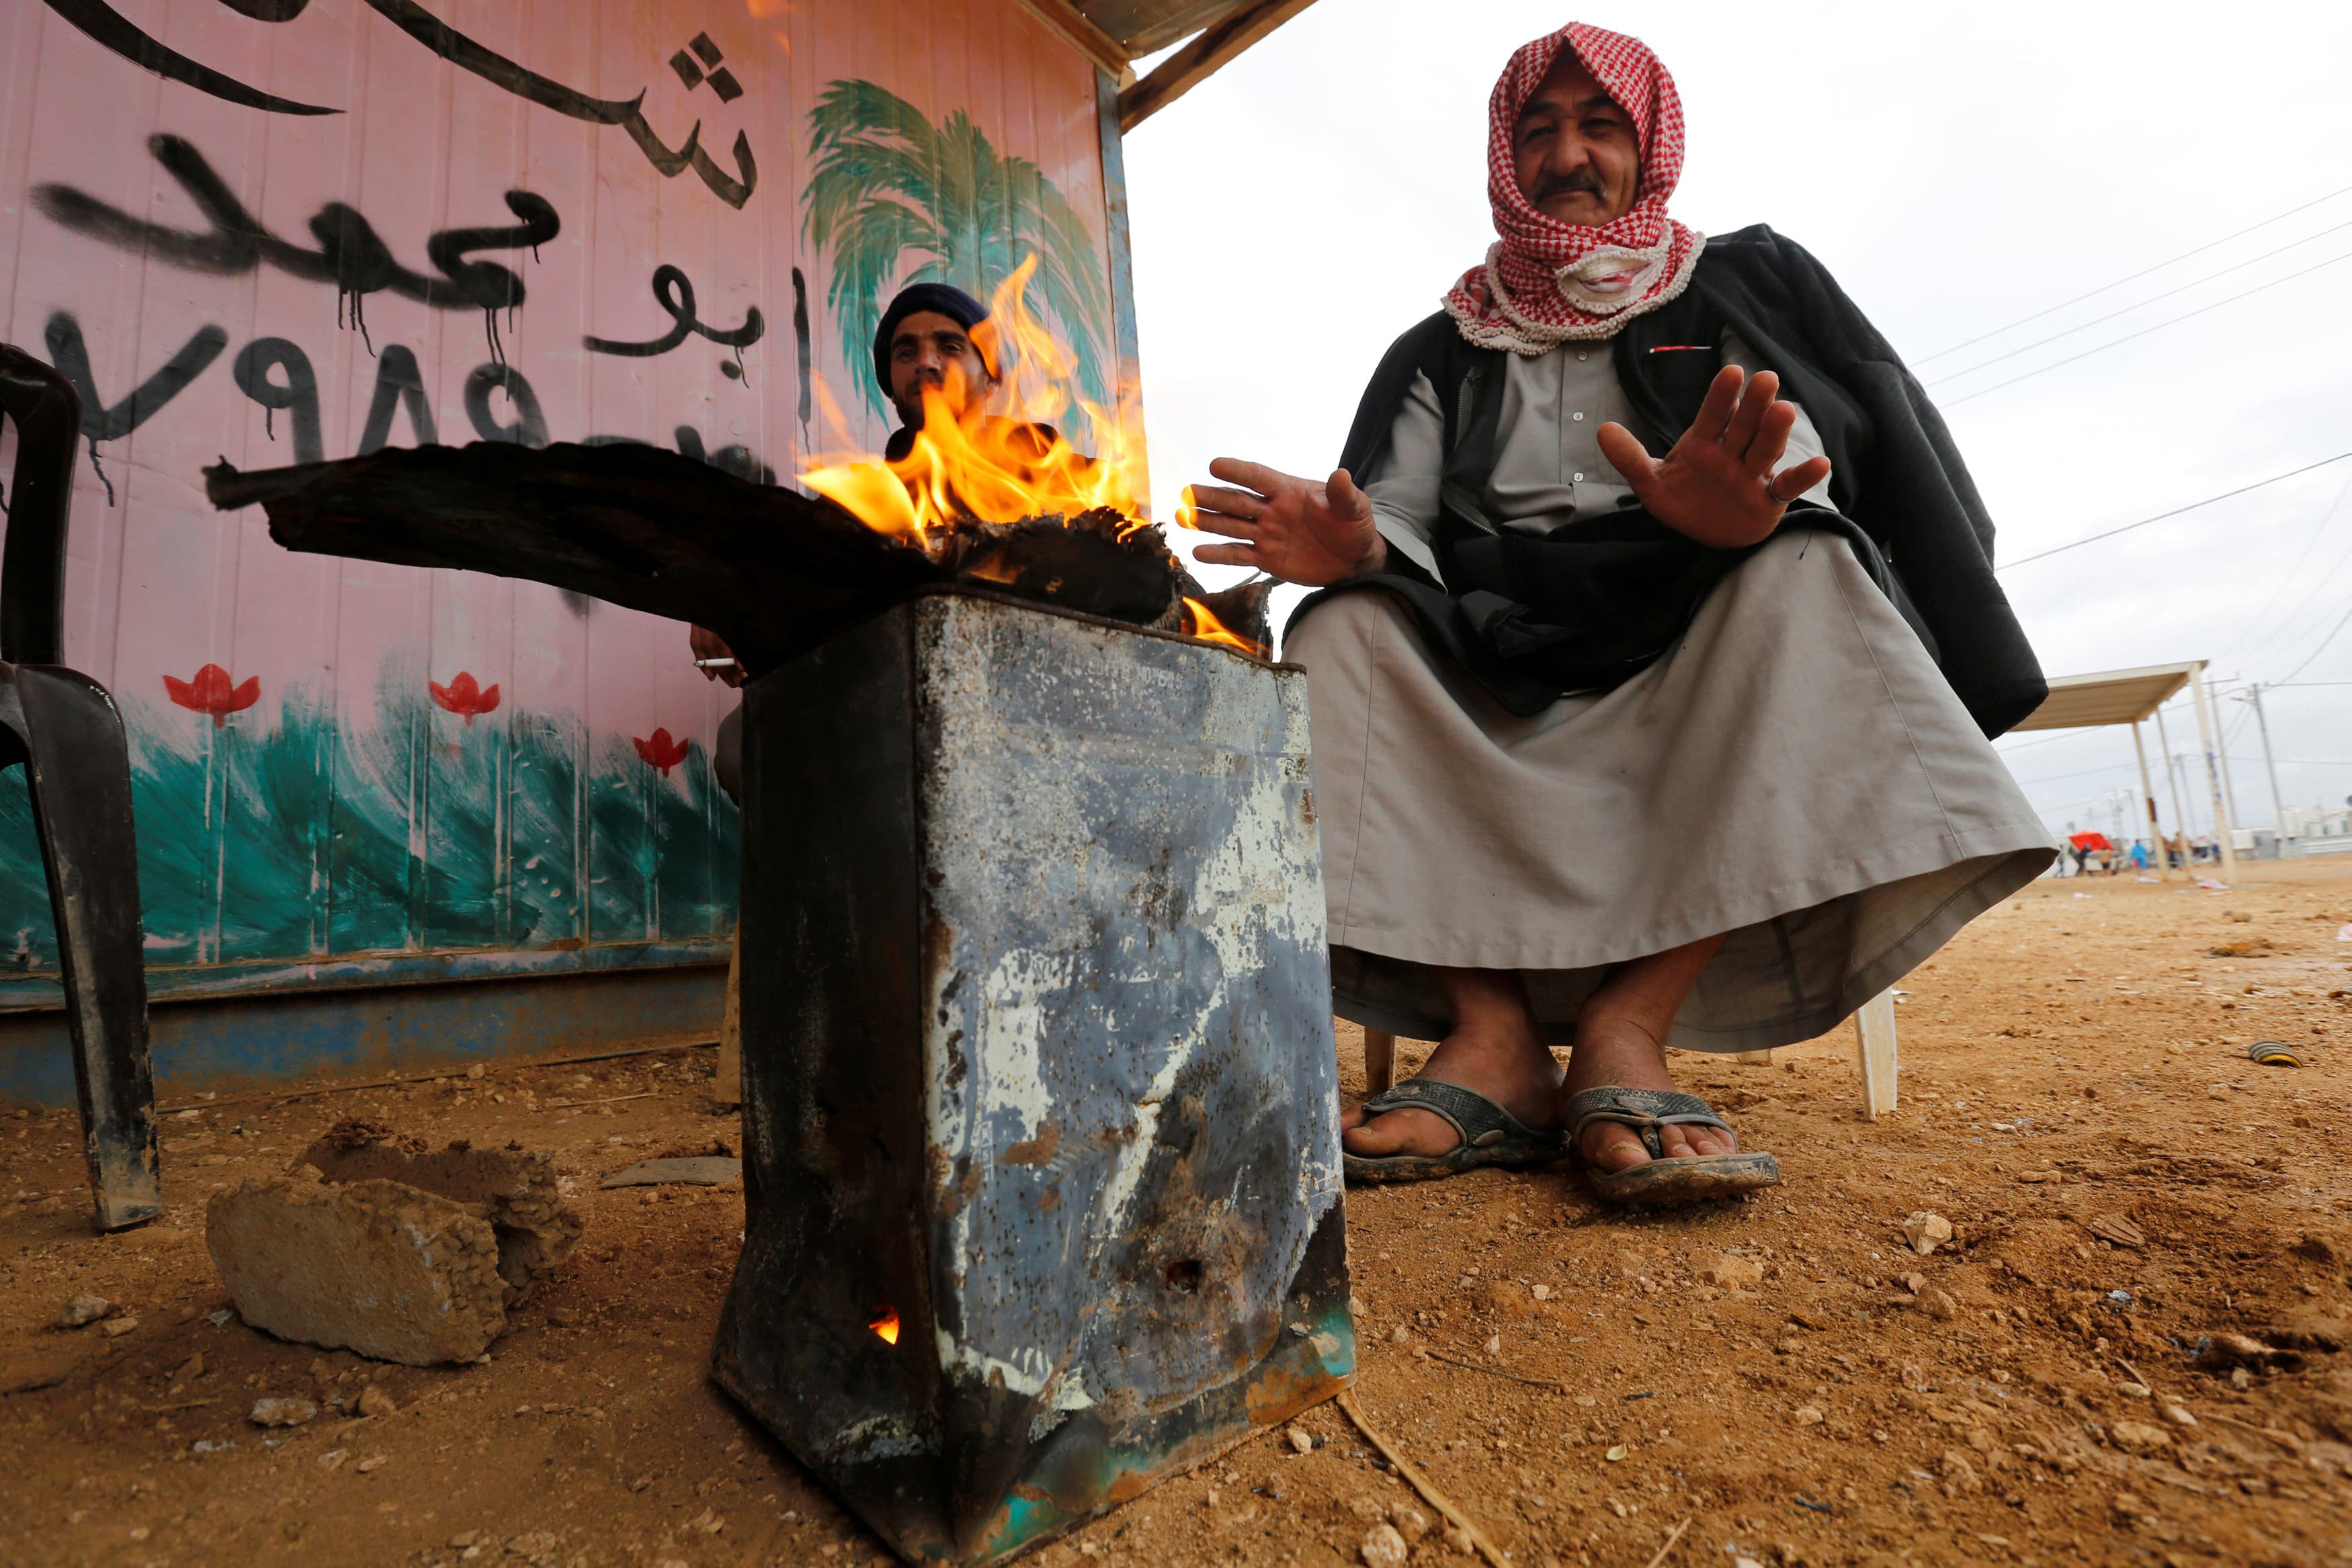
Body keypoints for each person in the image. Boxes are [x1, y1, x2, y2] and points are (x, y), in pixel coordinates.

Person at [1183, 23, 2055, 1207]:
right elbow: (1392, 516)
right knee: (1340, 627)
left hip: (1695, 618)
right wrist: (1351, 547)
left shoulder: (1740, 282)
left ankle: (1627, 1027)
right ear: (1503, 155)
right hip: (1493, 642)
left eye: (1601, 125)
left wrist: (1734, 509)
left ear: (1652, 145)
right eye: (1538, 129)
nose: (1568, 153)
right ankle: (1489, 1039)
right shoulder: (1443, 340)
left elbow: (1799, 449)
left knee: (1802, 568)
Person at [693, 282, 1009, 796]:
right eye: (906, 351)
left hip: (1020, 697)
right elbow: (772, 585)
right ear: (890, 381)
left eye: (950, 346)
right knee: (743, 739)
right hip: (880, 703)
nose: (925, 362)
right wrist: (725, 606)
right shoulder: (853, 502)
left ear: (990, 377)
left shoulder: (1056, 476)